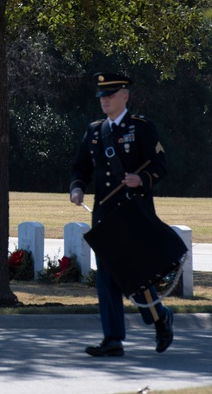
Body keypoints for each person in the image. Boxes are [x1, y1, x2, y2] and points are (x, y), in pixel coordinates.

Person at [70, 72, 173, 357]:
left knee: (138, 276)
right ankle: (113, 339)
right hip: (104, 214)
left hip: (133, 213)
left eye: (111, 95)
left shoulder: (141, 128)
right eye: (102, 95)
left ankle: (160, 318)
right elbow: (80, 168)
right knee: (106, 278)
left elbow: (160, 165)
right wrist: (76, 189)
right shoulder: (94, 132)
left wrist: (142, 180)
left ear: (125, 96)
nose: (105, 100)